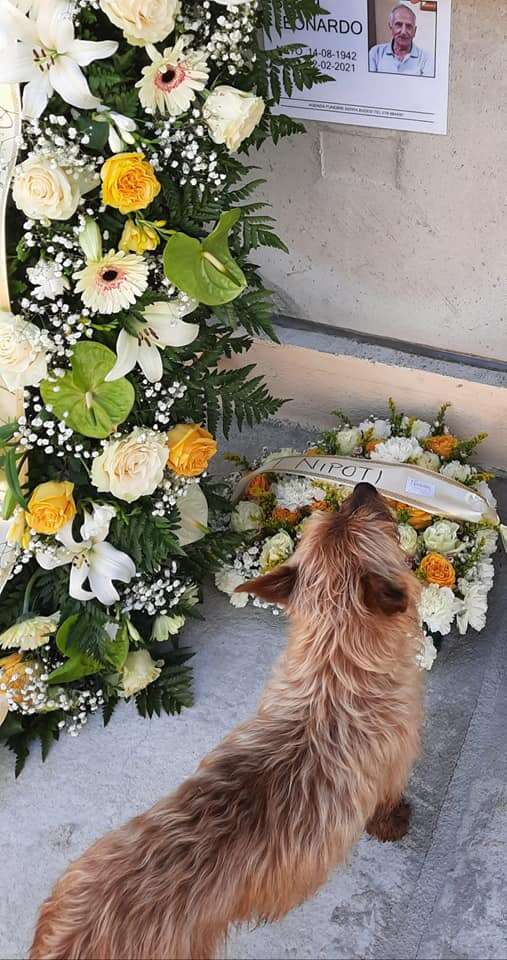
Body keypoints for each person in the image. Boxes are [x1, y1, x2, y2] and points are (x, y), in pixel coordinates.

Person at [369, 3, 434, 77]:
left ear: (414, 31)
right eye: (399, 25)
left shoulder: (425, 59)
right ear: (391, 27)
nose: (403, 32)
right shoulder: (375, 53)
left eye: (409, 26)